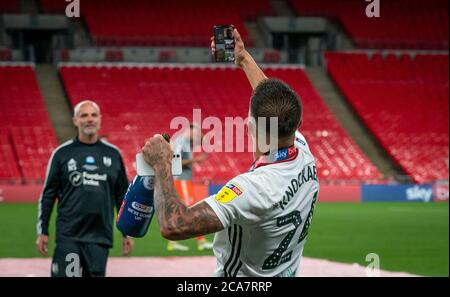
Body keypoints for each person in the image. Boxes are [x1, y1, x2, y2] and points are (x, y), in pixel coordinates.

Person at [141, 28, 319, 277]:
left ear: (249, 127)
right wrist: (244, 58)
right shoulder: (303, 152)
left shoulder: (252, 189)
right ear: (296, 125)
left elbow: (175, 225)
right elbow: (275, 102)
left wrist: (162, 163)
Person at [35, 100, 134, 277]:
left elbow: (122, 197)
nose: (89, 119)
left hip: (99, 237)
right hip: (69, 237)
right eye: (84, 115)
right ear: (75, 121)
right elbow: (48, 195)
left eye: (93, 115)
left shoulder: (113, 154)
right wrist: (43, 230)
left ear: (100, 119)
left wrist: (127, 232)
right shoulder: (62, 153)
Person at [167, 124, 212, 252]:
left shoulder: (187, 141)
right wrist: (195, 160)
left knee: (179, 210)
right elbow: (174, 161)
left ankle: (172, 241)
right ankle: (201, 241)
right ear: (189, 131)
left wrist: (200, 133)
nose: (197, 136)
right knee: (191, 209)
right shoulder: (181, 142)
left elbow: (205, 143)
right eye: (195, 133)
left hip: (184, 179)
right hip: (181, 179)